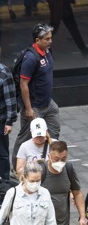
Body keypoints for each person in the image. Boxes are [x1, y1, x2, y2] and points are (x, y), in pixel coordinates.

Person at [13, 23, 60, 163]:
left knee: (53, 131)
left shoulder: (47, 52)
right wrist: (28, 108)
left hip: (47, 103)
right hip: (34, 106)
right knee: (26, 136)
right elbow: (23, 84)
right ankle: (16, 167)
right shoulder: (31, 58)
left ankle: (46, 159)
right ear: (37, 40)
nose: (50, 41)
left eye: (51, 38)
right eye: (46, 39)